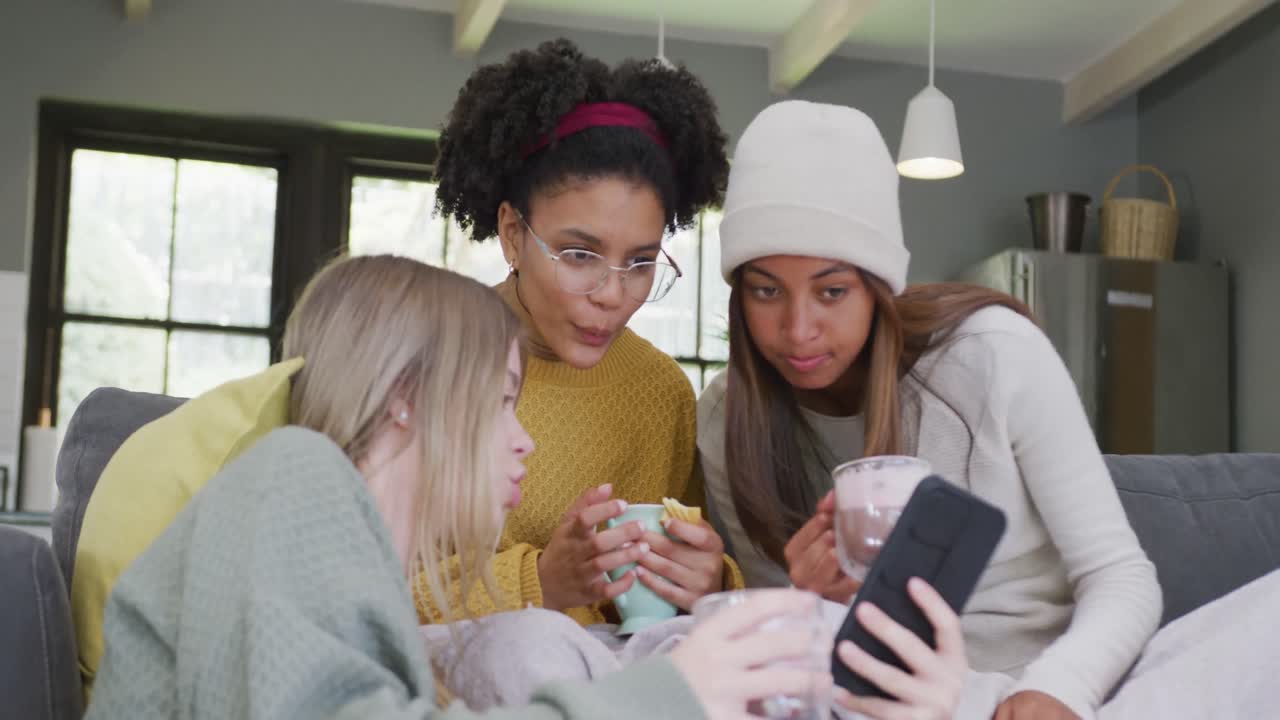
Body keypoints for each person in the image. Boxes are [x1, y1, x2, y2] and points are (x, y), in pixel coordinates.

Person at [85, 254, 857, 719]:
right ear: (405, 397)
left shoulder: (341, 556)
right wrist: (669, 695)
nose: (521, 437)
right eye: (498, 402)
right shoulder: (292, 478)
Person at [696, 100, 1165, 720]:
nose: (797, 329)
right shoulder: (728, 417)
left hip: (1039, 684)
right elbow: (791, 664)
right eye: (765, 291)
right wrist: (810, 603)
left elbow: (1122, 577)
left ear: (877, 287)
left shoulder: (992, 354)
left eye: (832, 291)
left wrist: (1059, 690)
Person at [426, 38, 740, 626]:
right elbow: (352, 588)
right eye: (578, 254)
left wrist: (708, 583)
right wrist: (538, 582)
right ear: (513, 235)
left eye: (642, 262)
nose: (613, 294)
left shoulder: (661, 393)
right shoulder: (426, 363)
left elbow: (663, 608)